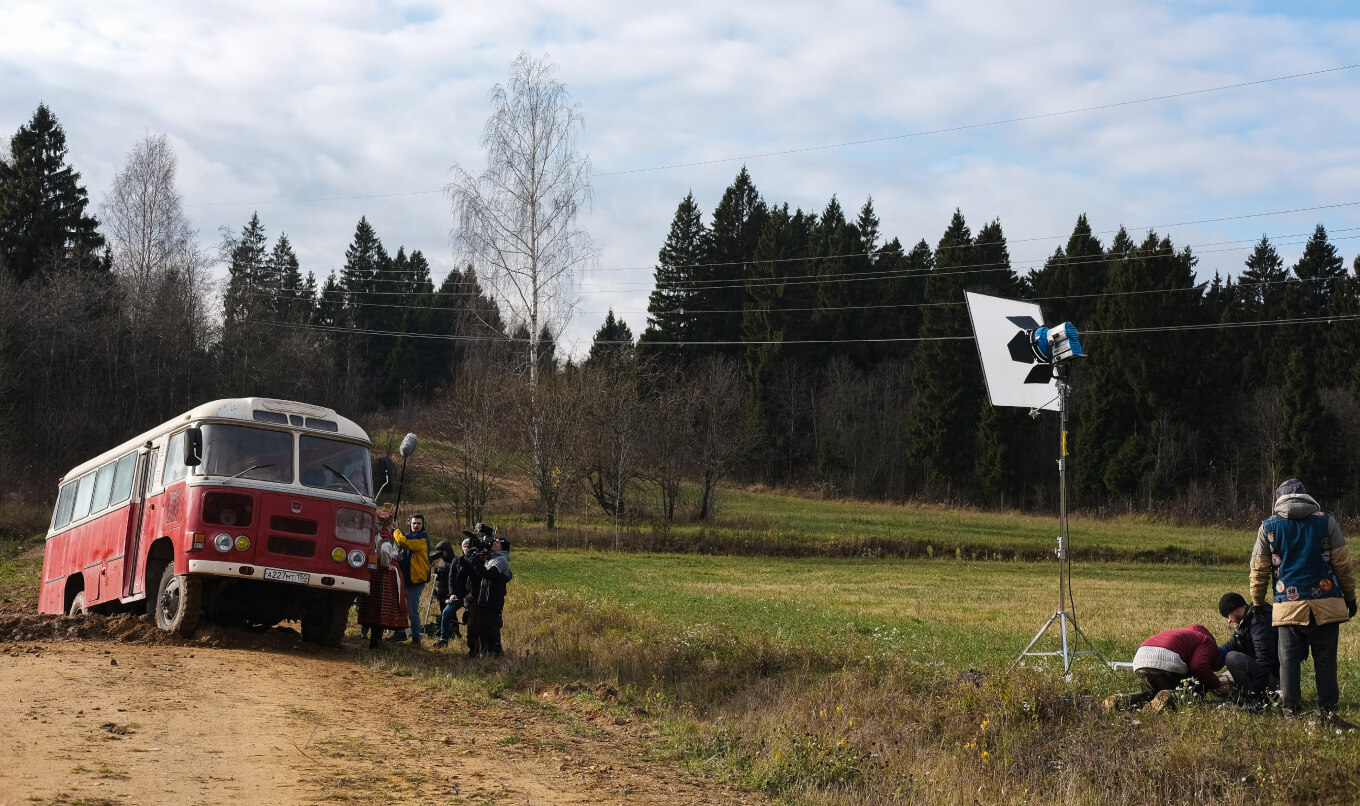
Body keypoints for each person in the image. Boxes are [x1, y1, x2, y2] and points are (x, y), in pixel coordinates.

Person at [1249, 478, 1356, 723]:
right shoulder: (1326, 522)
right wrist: (1350, 598)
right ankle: (1328, 711)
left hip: (1288, 608)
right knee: (1326, 660)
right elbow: (1343, 565)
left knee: (1288, 661)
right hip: (1327, 605)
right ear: (1306, 497)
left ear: (1279, 500)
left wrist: (1257, 602)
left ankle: (1291, 712)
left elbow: (1259, 569)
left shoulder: (1268, 527)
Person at [1108, 625, 1231, 713]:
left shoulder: (1186, 635)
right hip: (1165, 661)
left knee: (1150, 696)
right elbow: (1199, 666)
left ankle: (1120, 700)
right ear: (1218, 659)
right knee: (1192, 693)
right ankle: (1170, 696)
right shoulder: (1209, 644)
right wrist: (1215, 684)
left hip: (1141, 659)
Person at [357, 511, 408, 649]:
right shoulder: (386, 536)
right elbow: (385, 551)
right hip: (385, 574)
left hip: (375, 573)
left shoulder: (374, 533)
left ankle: (376, 640)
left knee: (375, 607)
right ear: (391, 522)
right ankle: (376, 642)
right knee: (382, 608)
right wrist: (387, 564)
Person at [1216, 591, 1278, 697]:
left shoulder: (1259, 621)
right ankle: (1241, 694)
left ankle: (1251, 696)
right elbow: (1228, 647)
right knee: (1217, 684)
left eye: (1228, 616)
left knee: (1232, 658)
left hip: (1274, 677)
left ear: (1236, 610)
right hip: (1261, 672)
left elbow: (1264, 659)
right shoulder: (1247, 620)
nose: (1229, 621)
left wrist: (1256, 690)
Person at [465, 526, 512, 657]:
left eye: (497, 542)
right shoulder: (490, 558)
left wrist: (475, 561)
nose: (493, 543)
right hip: (484, 599)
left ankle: (497, 654)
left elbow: (489, 575)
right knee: (482, 628)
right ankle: (486, 653)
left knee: (491, 629)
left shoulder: (501, 560)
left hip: (493, 600)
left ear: (502, 548)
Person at [392, 513, 431, 646]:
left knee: (412, 610)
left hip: (416, 580)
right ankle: (400, 633)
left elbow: (402, 541)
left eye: (418, 523)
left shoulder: (422, 537)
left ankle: (416, 639)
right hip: (406, 578)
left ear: (423, 525)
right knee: (400, 607)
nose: (415, 526)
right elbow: (403, 539)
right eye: (414, 523)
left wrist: (396, 529)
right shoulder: (411, 536)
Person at [429, 540, 466, 649]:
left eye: (442, 551)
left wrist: (452, 593)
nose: (441, 554)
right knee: (444, 612)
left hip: (450, 593)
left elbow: (455, 578)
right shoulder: (441, 562)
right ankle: (450, 632)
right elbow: (441, 577)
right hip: (441, 591)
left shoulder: (455, 561)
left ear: (447, 551)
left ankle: (454, 633)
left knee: (449, 613)